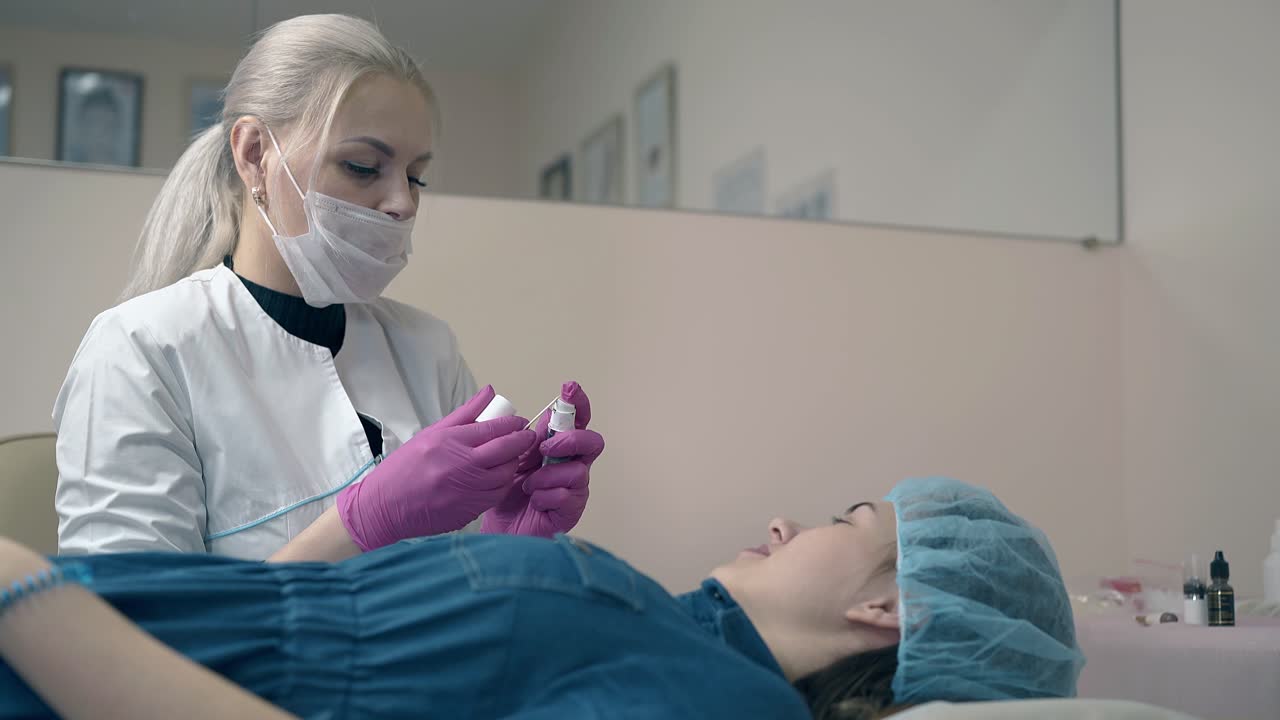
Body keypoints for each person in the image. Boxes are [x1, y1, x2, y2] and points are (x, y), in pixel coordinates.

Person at [52, 14, 605, 561]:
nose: (403, 203)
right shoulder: (141, 350)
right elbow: (124, 635)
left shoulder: (427, 350)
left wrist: (503, 549)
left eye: (416, 176)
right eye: (363, 166)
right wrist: (357, 525)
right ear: (253, 155)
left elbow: (457, 619)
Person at [0, 478, 1084, 719]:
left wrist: (27, 595)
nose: (782, 525)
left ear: (889, 613)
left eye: (846, 525)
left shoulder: (718, 708)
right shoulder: (669, 629)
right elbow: (276, 637)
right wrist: (365, 525)